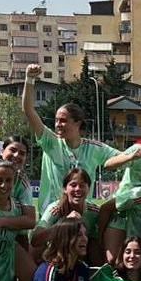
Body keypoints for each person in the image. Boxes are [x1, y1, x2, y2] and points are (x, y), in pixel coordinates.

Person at [21, 63, 118, 215]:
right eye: (56, 120)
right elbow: (28, 110)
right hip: (52, 215)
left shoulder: (94, 148)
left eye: (63, 120)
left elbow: (122, 157)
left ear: (77, 123)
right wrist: (29, 79)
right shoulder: (51, 142)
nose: (57, 125)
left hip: (81, 215)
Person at [33, 167, 102, 266]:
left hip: (84, 257)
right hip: (58, 256)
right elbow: (35, 240)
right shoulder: (55, 209)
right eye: (73, 185)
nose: (78, 189)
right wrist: (64, 225)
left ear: (89, 189)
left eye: (82, 185)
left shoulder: (94, 212)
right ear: (65, 189)